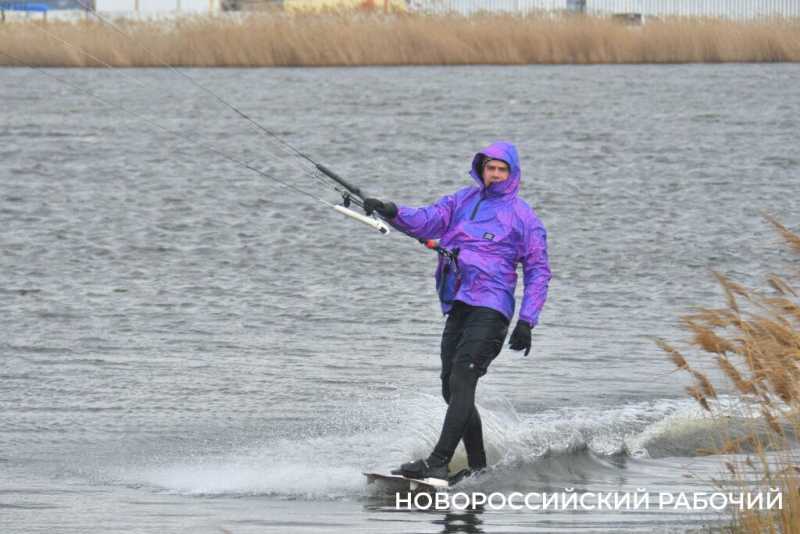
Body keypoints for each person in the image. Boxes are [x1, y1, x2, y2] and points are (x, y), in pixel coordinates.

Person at [363, 141, 551, 481]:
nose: (495, 174)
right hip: (460, 303)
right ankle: (479, 468)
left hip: (492, 308)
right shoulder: (462, 200)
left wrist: (527, 320)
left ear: (512, 174)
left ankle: (438, 460)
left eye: (502, 169)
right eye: (490, 168)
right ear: (481, 169)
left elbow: (538, 271)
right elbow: (426, 220)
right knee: (451, 388)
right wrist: (389, 210)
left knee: (463, 378)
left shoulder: (523, 217)